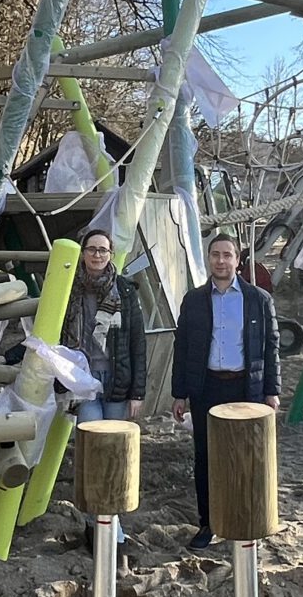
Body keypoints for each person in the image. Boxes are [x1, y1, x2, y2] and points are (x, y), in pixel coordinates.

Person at [170, 232, 280, 550]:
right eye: (216, 255)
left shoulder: (258, 299)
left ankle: (245, 518)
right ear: (209, 259)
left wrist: (271, 391)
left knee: (247, 458)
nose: (221, 261)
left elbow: (270, 349)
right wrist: (180, 393)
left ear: (237, 259)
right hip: (207, 388)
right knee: (206, 457)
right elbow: (183, 348)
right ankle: (208, 523)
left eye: (227, 255)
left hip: (247, 388)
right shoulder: (194, 300)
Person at [65, 229, 148, 425]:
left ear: (111, 254)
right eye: (92, 249)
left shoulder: (124, 291)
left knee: (113, 442)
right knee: (91, 434)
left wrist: (137, 393)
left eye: (103, 250)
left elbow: (138, 342)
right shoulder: (70, 288)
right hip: (83, 376)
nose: (97, 255)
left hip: (117, 378)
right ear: (82, 253)